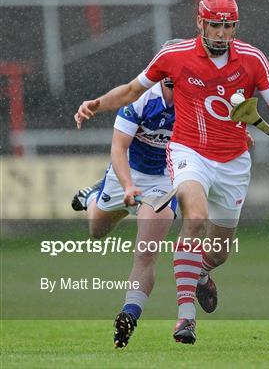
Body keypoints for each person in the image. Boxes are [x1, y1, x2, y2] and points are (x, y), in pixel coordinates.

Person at [75, 0, 269, 344]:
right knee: (193, 217)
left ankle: (202, 274)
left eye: (228, 26)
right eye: (215, 25)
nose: (222, 34)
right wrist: (96, 105)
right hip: (188, 153)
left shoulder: (253, 59)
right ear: (200, 23)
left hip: (233, 161)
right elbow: (132, 90)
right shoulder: (173, 57)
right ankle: (185, 318)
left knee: (219, 252)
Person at [72, 39, 182, 348]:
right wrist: (129, 185)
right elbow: (118, 148)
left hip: (163, 180)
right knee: (97, 230)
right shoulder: (142, 99)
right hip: (126, 174)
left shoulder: (195, 100)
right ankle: (95, 195)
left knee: (146, 252)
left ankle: (129, 314)